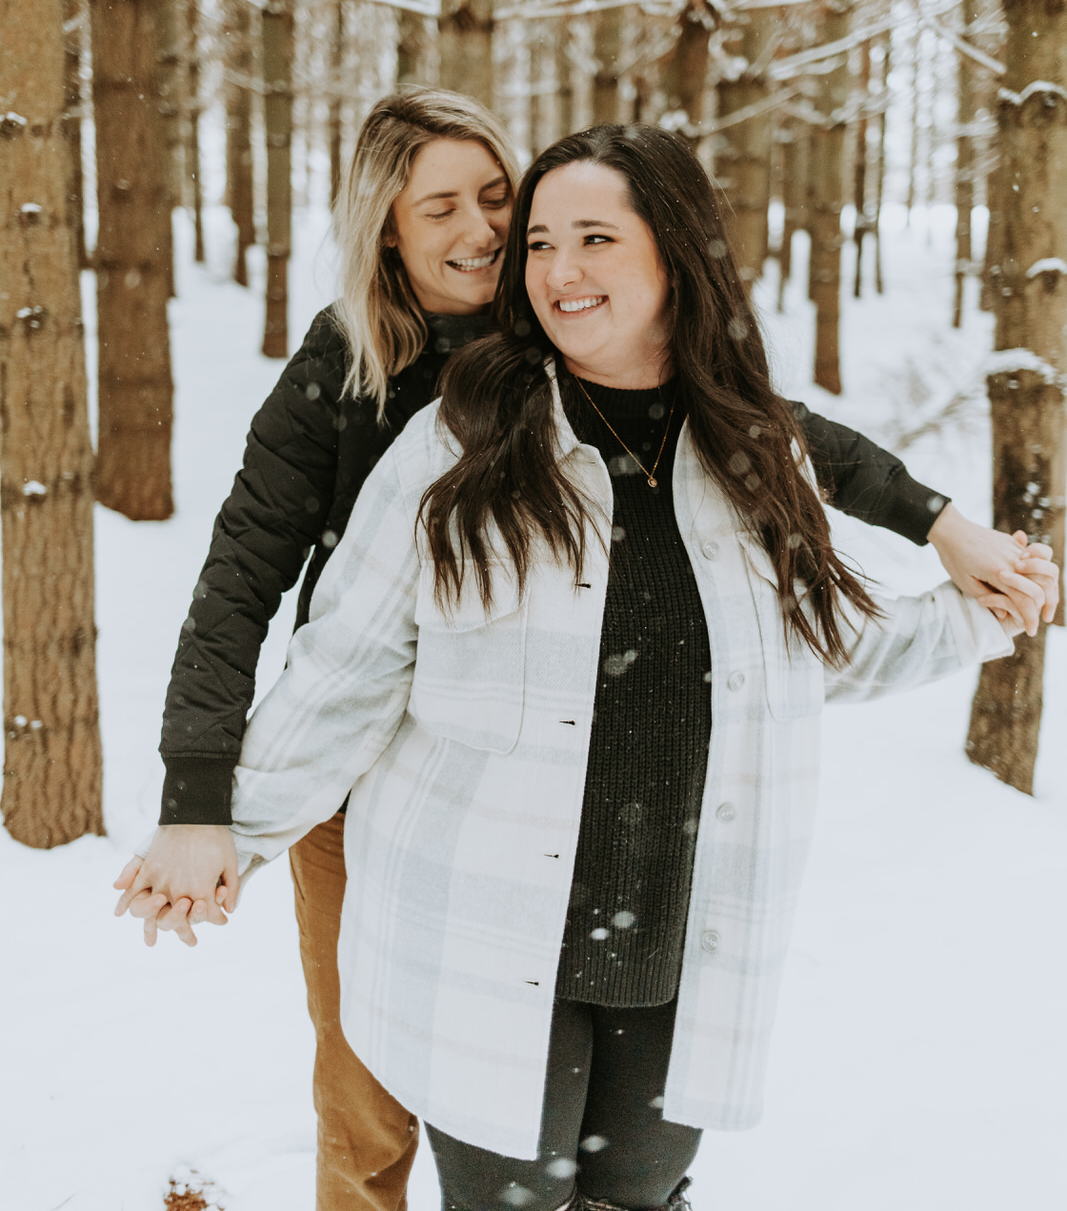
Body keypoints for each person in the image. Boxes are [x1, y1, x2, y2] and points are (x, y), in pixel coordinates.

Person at [113, 96, 1057, 1211]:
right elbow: (290, 628)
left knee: (633, 1179)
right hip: (412, 814)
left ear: (669, 250)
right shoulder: (390, 397)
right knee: (375, 1095)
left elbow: (813, 582)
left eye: (515, 209)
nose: (509, 244)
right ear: (388, 234)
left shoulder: (713, 426)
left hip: (650, 895)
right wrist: (209, 814)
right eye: (454, 213)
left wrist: (960, 559)